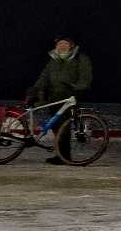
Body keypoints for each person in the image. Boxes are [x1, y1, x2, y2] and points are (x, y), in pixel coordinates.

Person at [30, 34, 92, 165]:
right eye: (59, 44)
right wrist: (35, 89)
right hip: (54, 98)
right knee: (56, 127)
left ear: (71, 46)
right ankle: (60, 155)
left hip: (70, 97)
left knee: (64, 127)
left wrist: (76, 88)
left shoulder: (80, 59)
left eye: (65, 43)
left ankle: (64, 156)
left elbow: (85, 78)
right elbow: (44, 77)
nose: (62, 46)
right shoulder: (53, 61)